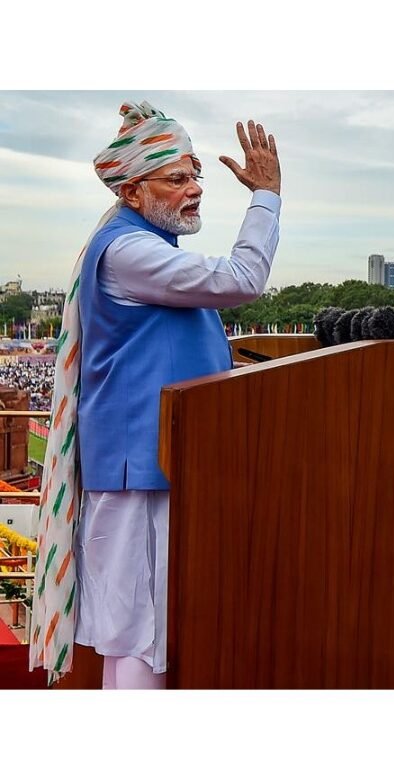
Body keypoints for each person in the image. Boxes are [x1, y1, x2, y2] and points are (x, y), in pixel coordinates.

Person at [30, 101, 282, 688]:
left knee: (140, 631)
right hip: (141, 468)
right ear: (134, 191)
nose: (194, 190)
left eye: (196, 175)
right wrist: (266, 197)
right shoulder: (127, 251)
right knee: (142, 634)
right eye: (177, 179)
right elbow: (240, 280)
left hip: (155, 464)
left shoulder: (145, 247)